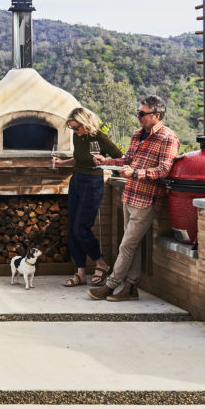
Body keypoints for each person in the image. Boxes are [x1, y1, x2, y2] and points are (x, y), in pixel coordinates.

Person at [88, 95, 180, 302]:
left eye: (142, 113)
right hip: (129, 194)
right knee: (133, 244)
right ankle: (131, 288)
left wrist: (136, 173)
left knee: (126, 244)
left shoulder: (168, 138)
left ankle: (110, 285)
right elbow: (128, 160)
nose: (138, 117)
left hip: (147, 199)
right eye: (138, 113)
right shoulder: (138, 134)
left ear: (157, 115)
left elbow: (164, 170)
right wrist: (107, 160)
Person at [53, 107, 122, 287]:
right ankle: (81, 273)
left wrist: (106, 161)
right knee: (71, 229)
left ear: (85, 123)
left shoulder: (100, 138)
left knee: (81, 228)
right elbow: (79, 159)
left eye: (76, 127)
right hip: (76, 181)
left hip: (93, 182)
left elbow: (120, 157)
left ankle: (101, 264)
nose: (74, 131)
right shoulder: (78, 136)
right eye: (72, 128)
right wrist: (62, 163)